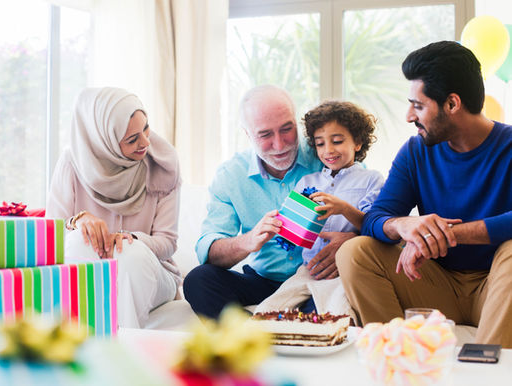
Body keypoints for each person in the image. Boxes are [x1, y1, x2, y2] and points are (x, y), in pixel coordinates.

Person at [336, 41, 512, 347]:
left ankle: (487, 371)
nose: (408, 116)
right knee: (354, 252)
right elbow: (375, 219)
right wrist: (404, 226)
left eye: (418, 105)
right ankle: (398, 359)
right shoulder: (415, 152)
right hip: (433, 285)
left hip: (497, 286)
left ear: (452, 104)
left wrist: (444, 235)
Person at [183, 85, 357, 319]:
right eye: (265, 134)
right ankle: (255, 337)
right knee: (198, 280)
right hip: (261, 281)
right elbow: (208, 250)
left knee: (333, 302)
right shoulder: (230, 175)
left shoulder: (328, 153)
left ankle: (276, 331)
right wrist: (248, 241)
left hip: (317, 278)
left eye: (287, 129)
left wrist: (352, 241)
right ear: (247, 134)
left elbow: (374, 214)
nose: (279, 144)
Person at [46, 87, 182, 328]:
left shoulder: (163, 163)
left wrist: (128, 239)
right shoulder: (72, 163)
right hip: (96, 267)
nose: (146, 142)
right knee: (78, 240)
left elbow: (167, 243)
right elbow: (50, 236)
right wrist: (78, 222)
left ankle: (121, 350)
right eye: (132, 139)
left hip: (154, 272)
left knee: (131, 255)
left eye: (146, 128)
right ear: (103, 141)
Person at [254, 101, 384, 316]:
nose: (328, 150)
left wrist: (343, 208)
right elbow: (291, 234)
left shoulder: (371, 180)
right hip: (308, 270)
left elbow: (375, 226)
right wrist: (280, 228)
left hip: (346, 272)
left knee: (336, 313)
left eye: (337, 141)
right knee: (266, 312)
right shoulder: (307, 181)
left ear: (358, 143)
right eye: (320, 143)